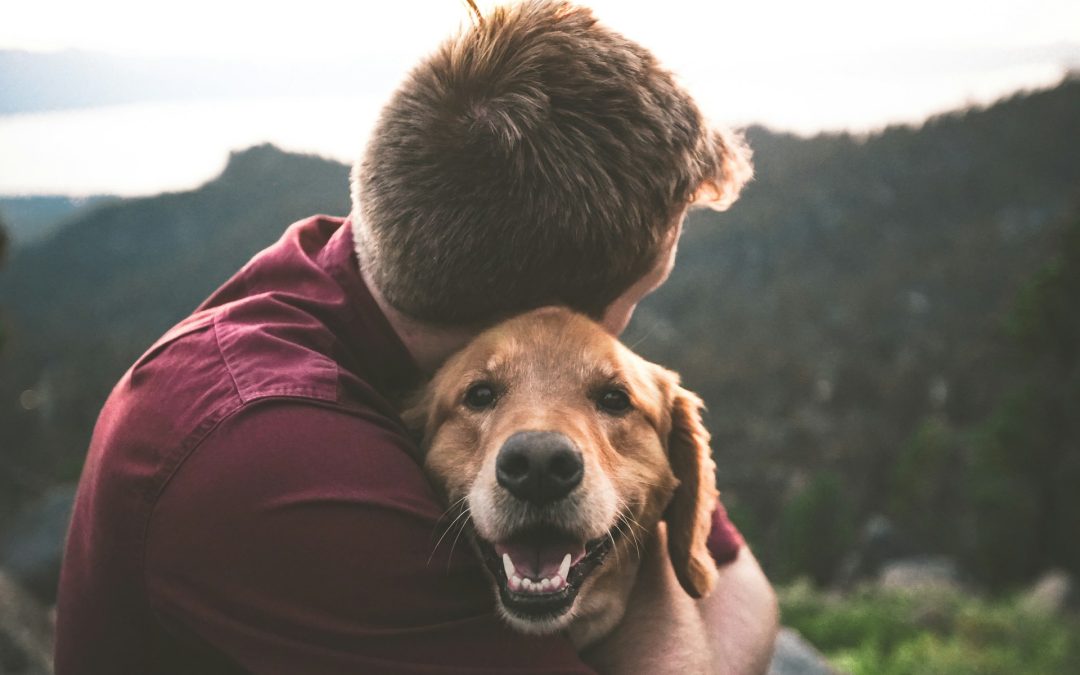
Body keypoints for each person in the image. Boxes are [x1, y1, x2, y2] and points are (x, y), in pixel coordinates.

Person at [54, 1, 777, 672]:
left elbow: (742, 584)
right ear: (542, 316)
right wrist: (649, 570)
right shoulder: (275, 462)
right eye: (638, 296)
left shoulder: (374, 272)